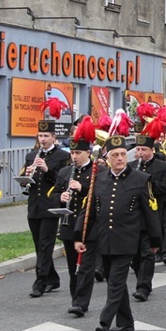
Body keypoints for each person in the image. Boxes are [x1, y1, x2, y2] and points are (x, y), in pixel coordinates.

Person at [74, 135, 162, 331]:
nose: (120, 158)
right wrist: (80, 236)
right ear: (108, 157)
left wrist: (155, 241)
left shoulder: (140, 179)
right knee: (117, 282)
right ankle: (126, 321)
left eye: (123, 154)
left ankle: (105, 321)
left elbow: (151, 212)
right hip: (104, 240)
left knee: (115, 282)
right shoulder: (99, 179)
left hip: (127, 241)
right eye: (115, 155)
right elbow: (88, 212)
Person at [21, 119, 71, 298]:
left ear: (53, 137)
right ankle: (53, 278)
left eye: (46, 136)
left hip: (50, 205)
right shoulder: (31, 156)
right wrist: (26, 176)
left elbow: (62, 180)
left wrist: (47, 169)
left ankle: (40, 282)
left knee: (45, 244)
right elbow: (24, 182)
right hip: (34, 205)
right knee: (39, 245)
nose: (42, 139)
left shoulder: (62, 156)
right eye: (40, 136)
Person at [52, 125, 97, 308]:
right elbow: (53, 195)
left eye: (78, 152)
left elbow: (101, 195)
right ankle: (75, 299)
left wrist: (83, 189)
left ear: (88, 152)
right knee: (72, 267)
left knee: (85, 267)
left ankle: (81, 302)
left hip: (89, 225)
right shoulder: (64, 172)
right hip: (69, 224)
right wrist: (60, 198)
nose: (74, 156)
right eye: (72, 153)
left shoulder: (96, 172)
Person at [128, 130, 166, 301]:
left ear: (151, 150)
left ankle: (143, 286)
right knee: (134, 255)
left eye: (143, 150)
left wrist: (147, 183)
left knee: (147, 252)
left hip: (152, 213)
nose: (140, 153)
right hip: (133, 215)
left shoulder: (161, 166)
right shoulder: (131, 166)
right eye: (138, 149)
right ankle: (142, 278)